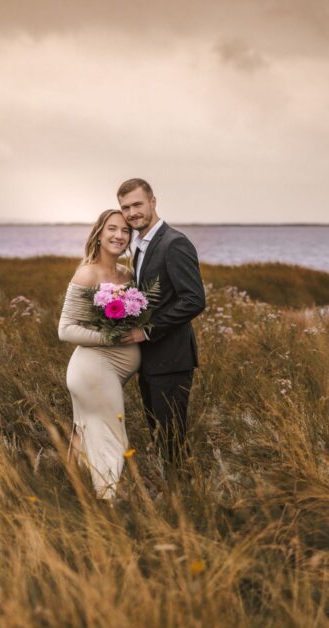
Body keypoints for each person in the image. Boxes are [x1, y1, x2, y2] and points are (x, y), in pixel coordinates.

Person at [115, 178, 205, 483]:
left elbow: (194, 299)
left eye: (137, 204)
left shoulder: (174, 242)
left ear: (153, 202)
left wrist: (147, 331)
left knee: (172, 442)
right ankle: (173, 498)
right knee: (160, 437)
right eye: (125, 207)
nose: (132, 213)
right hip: (151, 362)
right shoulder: (140, 246)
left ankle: (186, 501)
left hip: (172, 360)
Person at [57, 209, 140, 501]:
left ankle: (72, 500)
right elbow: (65, 330)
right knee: (110, 437)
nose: (119, 235)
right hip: (92, 370)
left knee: (85, 438)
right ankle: (108, 504)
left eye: (126, 231)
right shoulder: (87, 273)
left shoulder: (128, 275)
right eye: (112, 229)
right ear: (99, 233)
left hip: (113, 371)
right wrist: (110, 338)